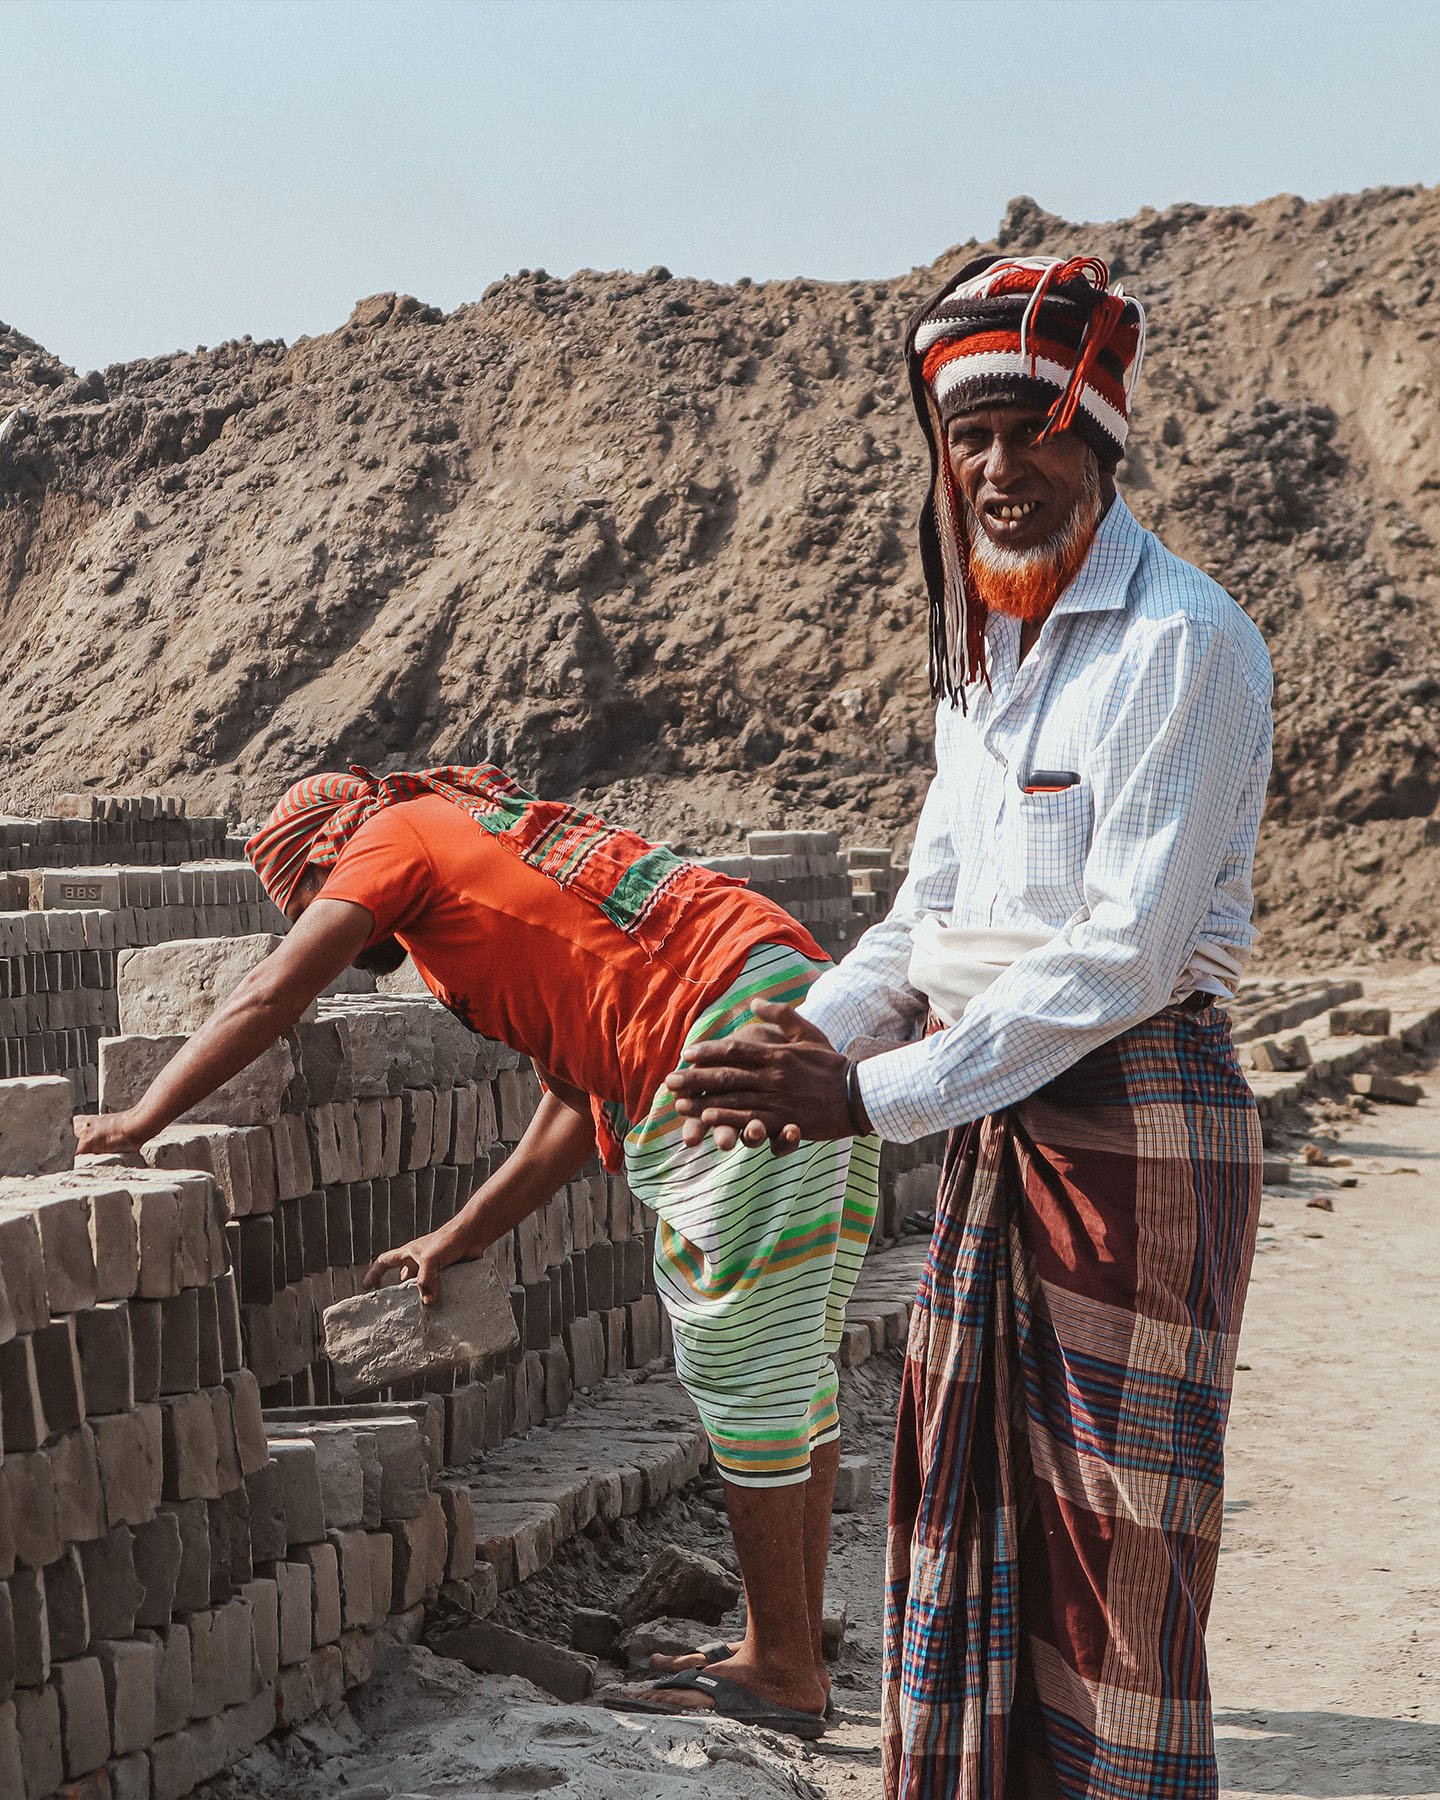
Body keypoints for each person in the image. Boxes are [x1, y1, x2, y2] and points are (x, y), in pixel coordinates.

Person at [664, 255, 1273, 1799]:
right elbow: (928, 921)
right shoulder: (982, 669)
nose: (997, 472)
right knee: (969, 1511)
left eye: (1028, 431)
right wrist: (791, 1044)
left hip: (1133, 1123)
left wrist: (865, 1100)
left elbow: (1120, 959)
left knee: (1113, 1552)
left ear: (1102, 436)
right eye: (967, 441)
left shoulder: (1181, 646)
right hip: (1003, 1120)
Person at [75, 762, 879, 1740]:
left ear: (329, 853)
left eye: (310, 897)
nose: (319, 916)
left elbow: (272, 991)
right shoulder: (484, 860)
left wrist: (139, 1118)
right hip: (800, 1004)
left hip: (717, 1032)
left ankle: (782, 1668)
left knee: (739, 1357)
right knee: (790, 1362)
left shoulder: (393, 833)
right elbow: (579, 1104)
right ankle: (781, 1643)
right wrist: (459, 1238)